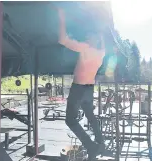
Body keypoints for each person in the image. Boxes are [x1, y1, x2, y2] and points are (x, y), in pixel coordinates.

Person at [57, 8, 105, 160]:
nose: (85, 37)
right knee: (90, 116)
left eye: (88, 36)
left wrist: (62, 17)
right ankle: (100, 142)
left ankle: (91, 146)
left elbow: (62, 39)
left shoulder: (85, 48)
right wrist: (100, 33)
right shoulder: (101, 53)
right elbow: (102, 42)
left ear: (92, 39)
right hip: (89, 90)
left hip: (78, 89)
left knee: (70, 120)